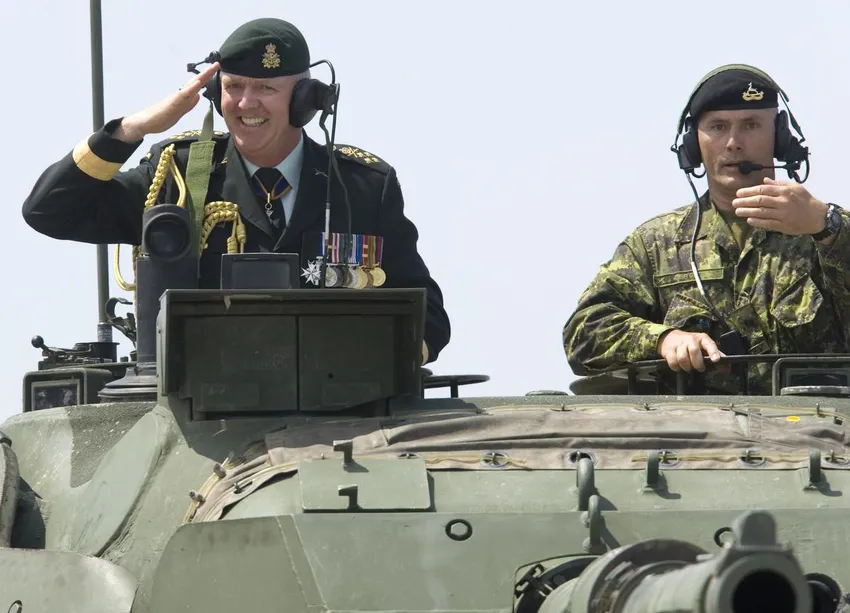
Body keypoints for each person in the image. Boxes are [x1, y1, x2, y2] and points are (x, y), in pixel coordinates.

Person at [22, 17, 449, 364]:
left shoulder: (362, 187)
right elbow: (49, 210)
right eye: (233, 87)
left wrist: (377, 360)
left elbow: (427, 313)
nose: (246, 105)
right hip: (205, 420)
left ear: (304, 100)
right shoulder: (179, 176)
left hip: (338, 420)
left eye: (266, 89)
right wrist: (131, 130)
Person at [561, 64, 850, 394]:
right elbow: (583, 333)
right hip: (698, 437)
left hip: (815, 432)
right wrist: (663, 339)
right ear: (693, 144)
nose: (733, 143)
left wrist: (826, 226)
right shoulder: (656, 244)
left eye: (751, 125)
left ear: (780, 138)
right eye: (718, 127)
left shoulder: (827, 231)